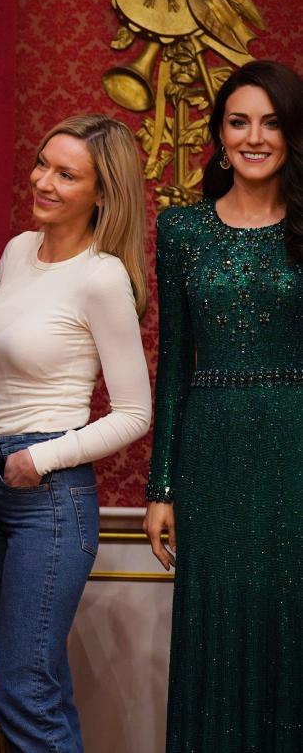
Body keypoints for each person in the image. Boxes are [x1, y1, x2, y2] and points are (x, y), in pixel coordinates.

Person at [0, 114, 151, 752]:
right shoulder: (16, 250)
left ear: (102, 192)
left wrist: (42, 458)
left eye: (68, 174)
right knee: (39, 679)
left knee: (21, 687)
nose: (44, 181)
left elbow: (133, 412)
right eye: (43, 164)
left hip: (50, 495)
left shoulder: (102, 277)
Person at [144, 60, 303, 752]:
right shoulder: (181, 231)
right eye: (239, 121)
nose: (255, 136)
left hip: (294, 447)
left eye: (271, 122)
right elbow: (173, 365)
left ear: (293, 134)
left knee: (289, 617)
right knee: (217, 621)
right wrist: (161, 486)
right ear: (217, 134)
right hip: (210, 452)